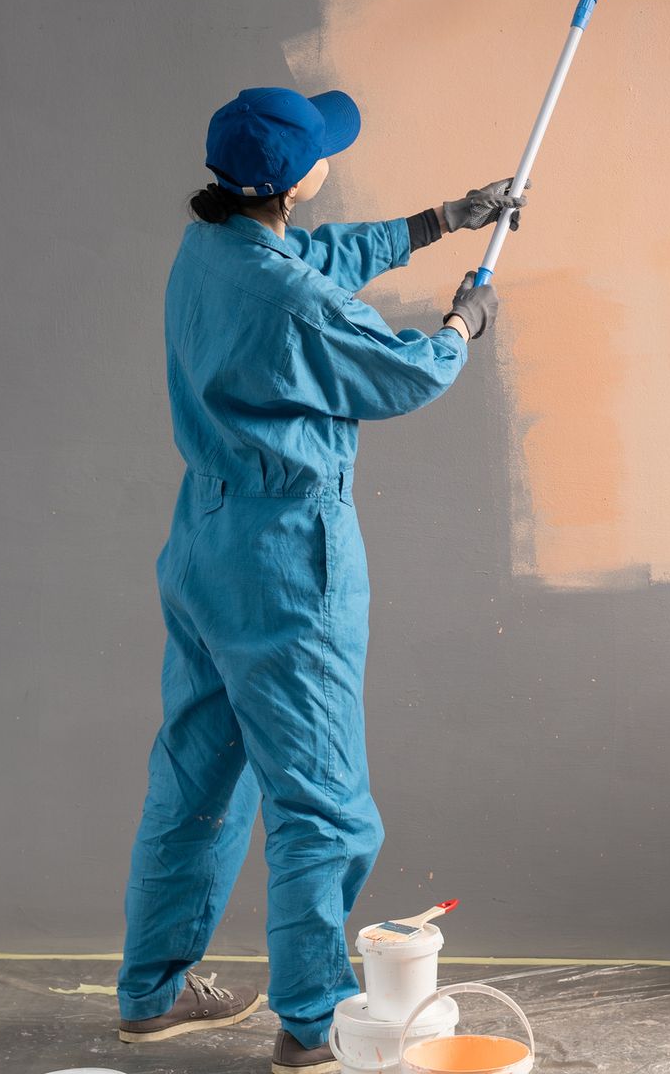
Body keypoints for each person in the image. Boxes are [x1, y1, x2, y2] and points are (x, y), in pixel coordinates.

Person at [117, 86, 518, 1072]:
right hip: (286, 552)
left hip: (205, 541)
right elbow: (401, 371)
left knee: (198, 773)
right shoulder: (287, 297)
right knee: (323, 799)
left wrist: (440, 221)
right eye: (321, 150)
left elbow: (321, 260)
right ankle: (315, 1019)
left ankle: (151, 990)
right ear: (297, 177)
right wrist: (462, 325)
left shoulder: (211, 249)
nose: (330, 156)